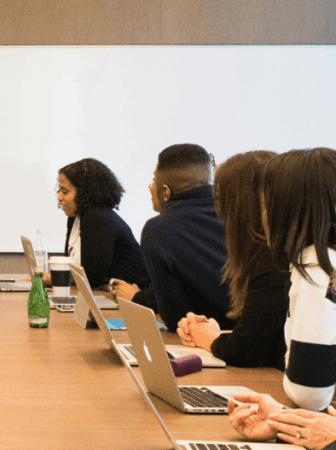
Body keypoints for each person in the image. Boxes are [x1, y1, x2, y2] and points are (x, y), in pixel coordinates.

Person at [228, 148, 336, 448]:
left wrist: (291, 416)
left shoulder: (316, 271)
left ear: (282, 210)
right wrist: (283, 419)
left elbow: (310, 394)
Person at [176, 151, 288, 370]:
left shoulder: (275, 263)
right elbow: (262, 337)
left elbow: (246, 352)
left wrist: (210, 340)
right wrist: (214, 335)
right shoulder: (271, 255)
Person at [110, 144, 231, 331]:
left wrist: (137, 298)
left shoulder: (158, 229)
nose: (151, 188)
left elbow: (175, 318)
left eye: (153, 181)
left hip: (202, 343)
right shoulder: (235, 214)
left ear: (166, 191)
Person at [56, 158, 149, 291]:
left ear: (85, 193)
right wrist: (57, 278)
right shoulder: (75, 217)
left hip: (131, 300)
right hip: (106, 294)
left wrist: (62, 278)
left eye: (65, 191)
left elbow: (92, 279)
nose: (59, 197)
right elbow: (71, 268)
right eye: (59, 190)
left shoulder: (96, 217)